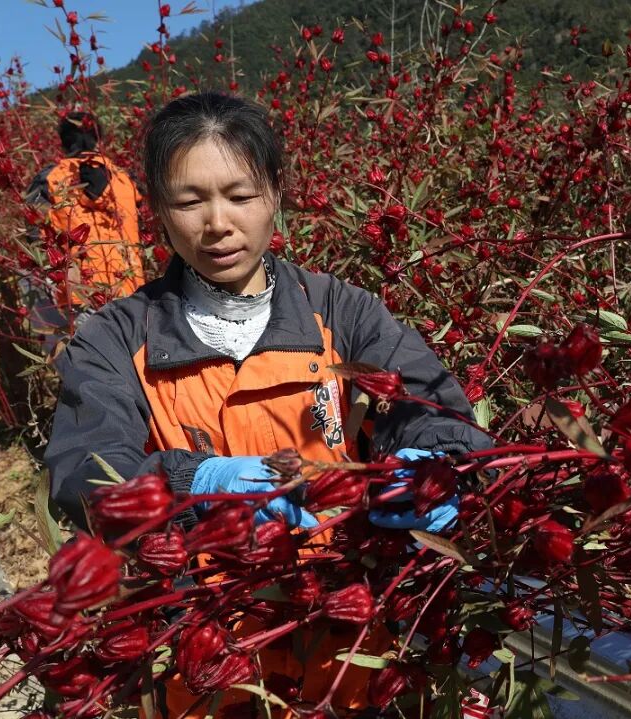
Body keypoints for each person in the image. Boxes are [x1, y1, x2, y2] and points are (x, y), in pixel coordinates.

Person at [44, 92, 492, 717]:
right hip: (205, 651)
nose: (217, 224)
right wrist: (189, 484)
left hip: (351, 640)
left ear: (276, 191)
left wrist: (438, 466)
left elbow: (429, 405)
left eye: (240, 195)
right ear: (156, 210)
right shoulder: (116, 335)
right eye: (189, 200)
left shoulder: (342, 311)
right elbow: (84, 468)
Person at [25, 111, 147, 341]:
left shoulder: (49, 180)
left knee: (94, 368)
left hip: (80, 295)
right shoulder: (125, 179)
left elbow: (36, 239)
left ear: (63, 142)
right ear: (97, 138)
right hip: (131, 289)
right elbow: (142, 227)